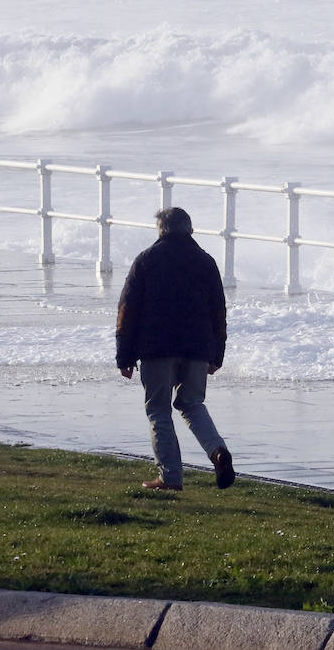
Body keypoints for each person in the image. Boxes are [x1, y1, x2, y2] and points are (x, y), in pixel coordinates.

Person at [115, 207, 235, 491]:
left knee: (158, 410)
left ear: (161, 231)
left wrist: (124, 354)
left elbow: (127, 309)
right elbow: (219, 311)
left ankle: (170, 478)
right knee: (192, 404)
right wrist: (217, 353)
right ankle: (217, 452)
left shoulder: (146, 260)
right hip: (197, 348)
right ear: (190, 231)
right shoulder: (205, 262)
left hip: (157, 348)